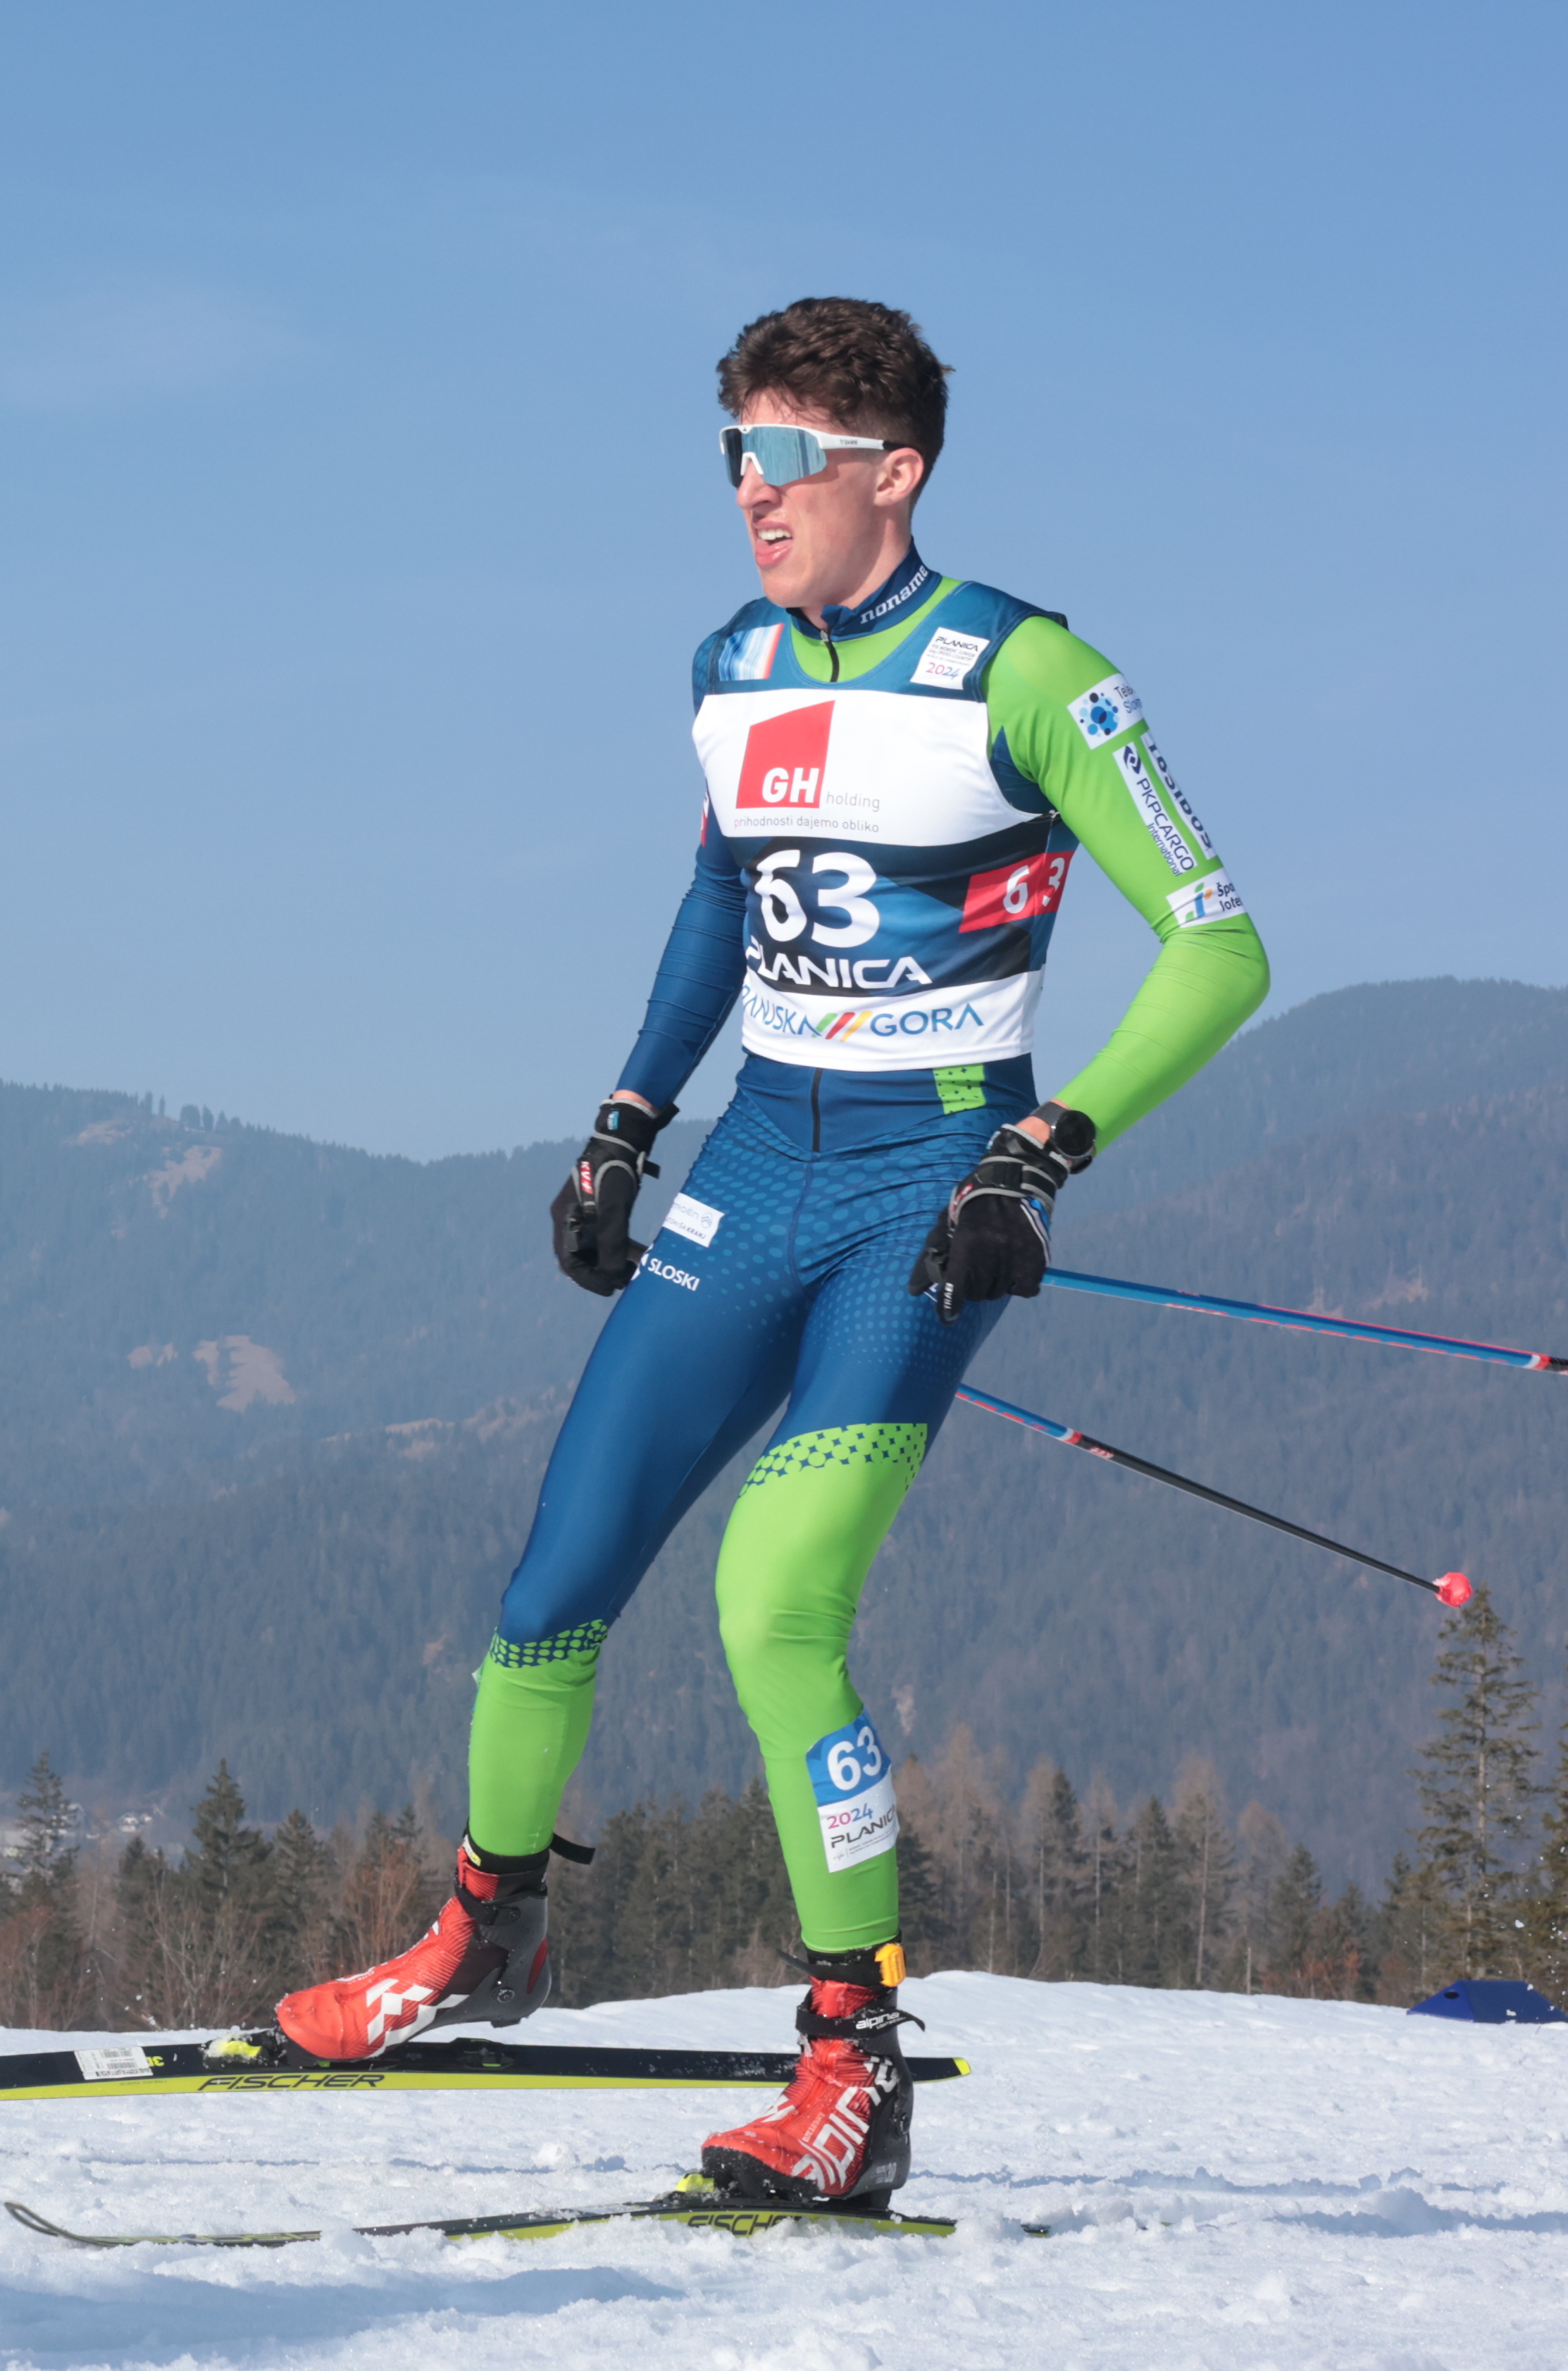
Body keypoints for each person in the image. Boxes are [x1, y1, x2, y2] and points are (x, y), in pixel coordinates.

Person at [270, 297, 1270, 2209]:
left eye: (788, 459)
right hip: (758, 1171)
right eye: (732, 455)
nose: (751, 493)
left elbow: (1222, 947)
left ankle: (853, 2072)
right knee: (555, 1579)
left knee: (774, 1602)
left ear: (890, 473)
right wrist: (627, 1121)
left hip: (924, 1187)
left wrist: (1041, 1157)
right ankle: (486, 1939)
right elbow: (720, 904)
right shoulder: (733, 663)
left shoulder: (1028, 672)